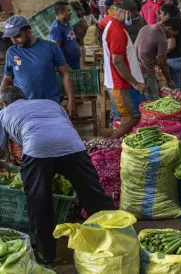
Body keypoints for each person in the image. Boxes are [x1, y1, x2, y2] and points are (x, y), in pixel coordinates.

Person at [0, 86, 115, 266]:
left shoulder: (4, 112)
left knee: (39, 203)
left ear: (3, 103)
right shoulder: (50, 103)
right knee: (93, 195)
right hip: (73, 146)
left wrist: (5, 165)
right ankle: (116, 240)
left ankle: (47, 257)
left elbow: (1, 149)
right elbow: (64, 127)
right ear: (25, 97)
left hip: (37, 149)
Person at [1, 16, 76, 116]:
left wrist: (71, 100)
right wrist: (1, 96)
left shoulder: (50, 48)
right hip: (22, 106)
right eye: (11, 37)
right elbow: (8, 78)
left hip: (49, 104)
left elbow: (65, 75)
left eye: (17, 36)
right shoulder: (11, 52)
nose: (14, 40)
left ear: (28, 32)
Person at [101, 0, 147, 138]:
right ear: (128, 13)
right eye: (133, 16)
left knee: (125, 117)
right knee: (134, 117)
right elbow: (118, 61)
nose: (133, 19)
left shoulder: (113, 25)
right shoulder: (117, 31)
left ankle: (111, 139)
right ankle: (110, 143)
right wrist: (135, 83)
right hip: (122, 84)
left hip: (119, 82)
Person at [135, 17, 179, 99]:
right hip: (146, 71)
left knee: (141, 98)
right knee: (153, 99)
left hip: (135, 68)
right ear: (169, 28)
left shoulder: (146, 27)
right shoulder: (161, 37)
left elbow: (145, 50)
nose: (171, 36)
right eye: (173, 33)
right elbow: (163, 63)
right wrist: (169, 80)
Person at [159, 4, 181, 92]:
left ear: (167, 14)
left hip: (173, 58)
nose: (160, 16)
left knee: (174, 86)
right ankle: (179, 100)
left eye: (161, 13)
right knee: (178, 83)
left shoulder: (170, 21)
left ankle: (178, 102)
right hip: (180, 56)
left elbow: (171, 45)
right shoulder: (177, 20)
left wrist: (160, 55)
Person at [49, 1, 81, 71]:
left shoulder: (67, 22)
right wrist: (66, 66)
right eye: (68, 10)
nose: (71, 12)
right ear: (62, 13)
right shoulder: (56, 28)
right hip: (69, 68)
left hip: (75, 64)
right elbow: (56, 51)